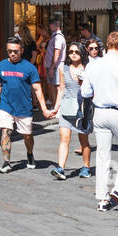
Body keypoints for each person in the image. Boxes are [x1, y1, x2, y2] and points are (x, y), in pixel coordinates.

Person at [81, 31, 118, 213]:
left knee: (102, 155)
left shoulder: (93, 66)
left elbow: (85, 92)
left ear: (107, 45)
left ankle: (102, 198)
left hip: (99, 112)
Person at [0, 36, 52, 173]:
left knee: (27, 135)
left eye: (16, 51)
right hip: (6, 106)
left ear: (22, 50)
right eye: (10, 51)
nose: (13, 54)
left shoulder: (29, 68)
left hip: (24, 107)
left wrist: (44, 108)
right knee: (5, 132)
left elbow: (37, 89)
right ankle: (6, 162)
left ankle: (30, 154)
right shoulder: (0, 66)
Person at [51, 43, 92, 180]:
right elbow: (61, 89)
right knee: (64, 138)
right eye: (71, 51)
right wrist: (56, 108)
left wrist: (83, 83)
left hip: (82, 109)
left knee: (83, 141)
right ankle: (61, 168)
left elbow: (94, 89)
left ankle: (86, 167)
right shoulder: (63, 69)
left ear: (82, 53)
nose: (73, 54)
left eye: (76, 51)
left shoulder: (88, 69)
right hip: (67, 107)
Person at [41, 14, 67, 107]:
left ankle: (56, 106)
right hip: (53, 66)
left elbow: (57, 52)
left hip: (55, 67)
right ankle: (55, 105)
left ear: (55, 25)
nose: (49, 27)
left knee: (54, 86)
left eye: (50, 25)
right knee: (52, 85)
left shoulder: (58, 37)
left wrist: (52, 67)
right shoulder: (54, 36)